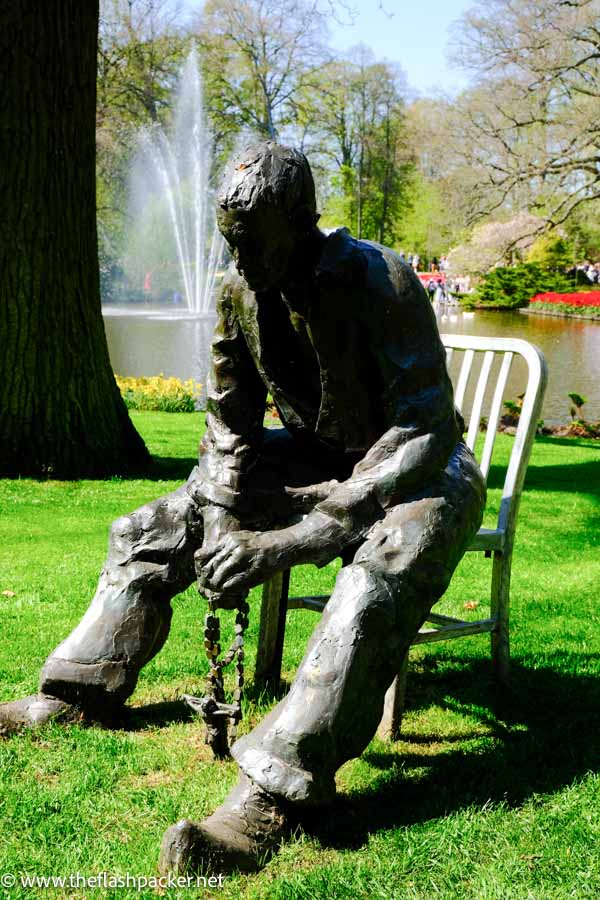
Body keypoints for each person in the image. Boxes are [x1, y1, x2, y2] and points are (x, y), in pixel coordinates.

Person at [0, 142, 486, 874]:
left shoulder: (380, 280)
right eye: (230, 241)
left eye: (256, 242)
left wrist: (298, 537)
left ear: (304, 222)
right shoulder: (235, 291)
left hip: (418, 469)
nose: (242, 258)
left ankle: (276, 797)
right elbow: (229, 424)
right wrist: (225, 521)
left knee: (378, 571)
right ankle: (78, 691)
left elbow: (422, 428)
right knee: (146, 531)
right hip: (311, 460)